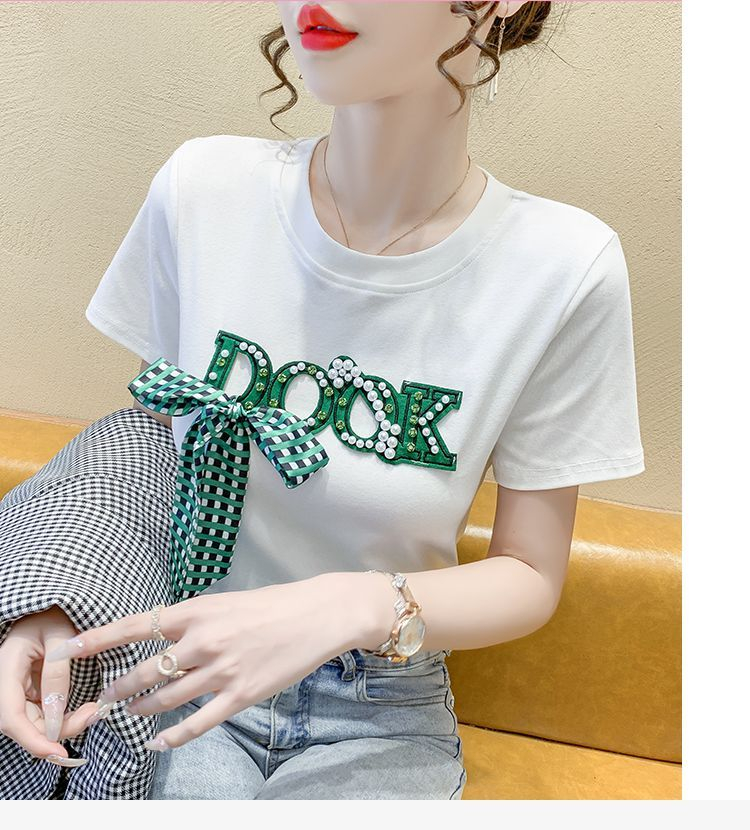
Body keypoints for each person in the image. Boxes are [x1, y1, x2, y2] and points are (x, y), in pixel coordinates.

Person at [0, 1, 646, 800]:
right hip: (178, 664)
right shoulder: (204, 190)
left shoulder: (563, 267)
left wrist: (355, 603)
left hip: (379, 708)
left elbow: (529, 574)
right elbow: (145, 452)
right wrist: (62, 600)